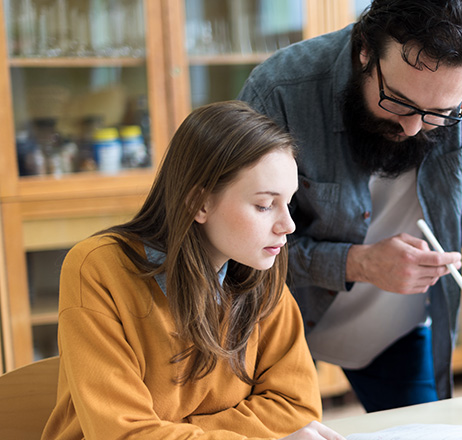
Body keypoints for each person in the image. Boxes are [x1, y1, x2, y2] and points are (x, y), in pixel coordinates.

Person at [238, 0, 462, 416]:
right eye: (399, 102)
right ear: (365, 49)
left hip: (395, 328)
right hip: (282, 320)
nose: (413, 128)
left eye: (440, 113)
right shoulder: (280, 90)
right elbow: (238, 247)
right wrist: (357, 264)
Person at [42, 101, 344, 440]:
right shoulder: (98, 268)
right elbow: (124, 433)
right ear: (199, 203)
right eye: (264, 205)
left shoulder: (260, 270)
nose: (287, 226)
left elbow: (297, 408)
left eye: (288, 203)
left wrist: (170, 432)